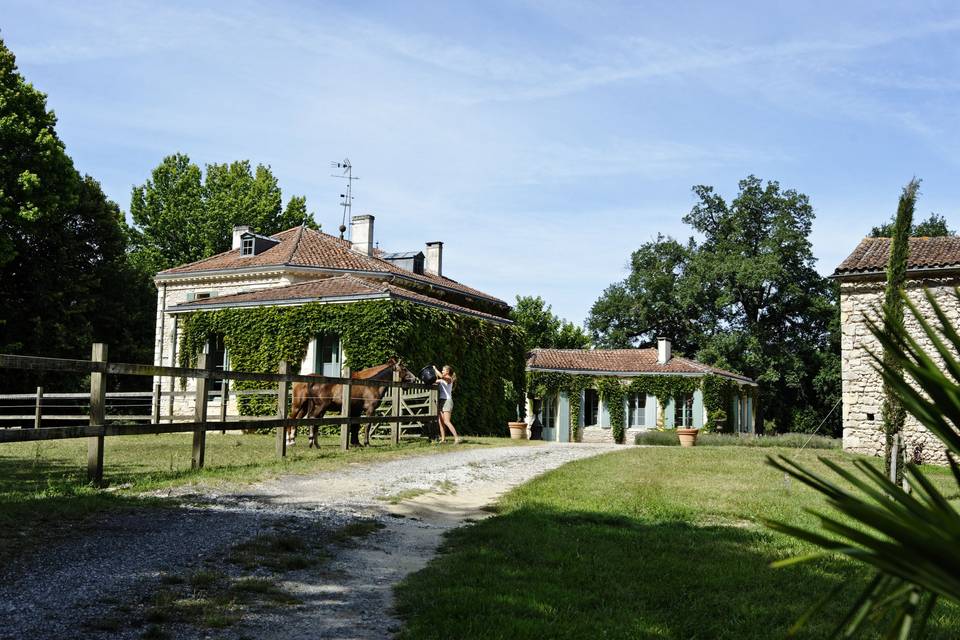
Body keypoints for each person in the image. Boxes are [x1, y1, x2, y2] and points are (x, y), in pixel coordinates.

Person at [432, 365, 460, 444]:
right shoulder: (441, 380)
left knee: (446, 421)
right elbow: (434, 381)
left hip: (447, 401)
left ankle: (456, 438)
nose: (442, 372)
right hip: (441, 401)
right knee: (440, 421)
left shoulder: (449, 379)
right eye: (442, 370)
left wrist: (435, 369)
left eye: (443, 370)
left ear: (447, 372)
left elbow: (441, 376)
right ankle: (443, 439)